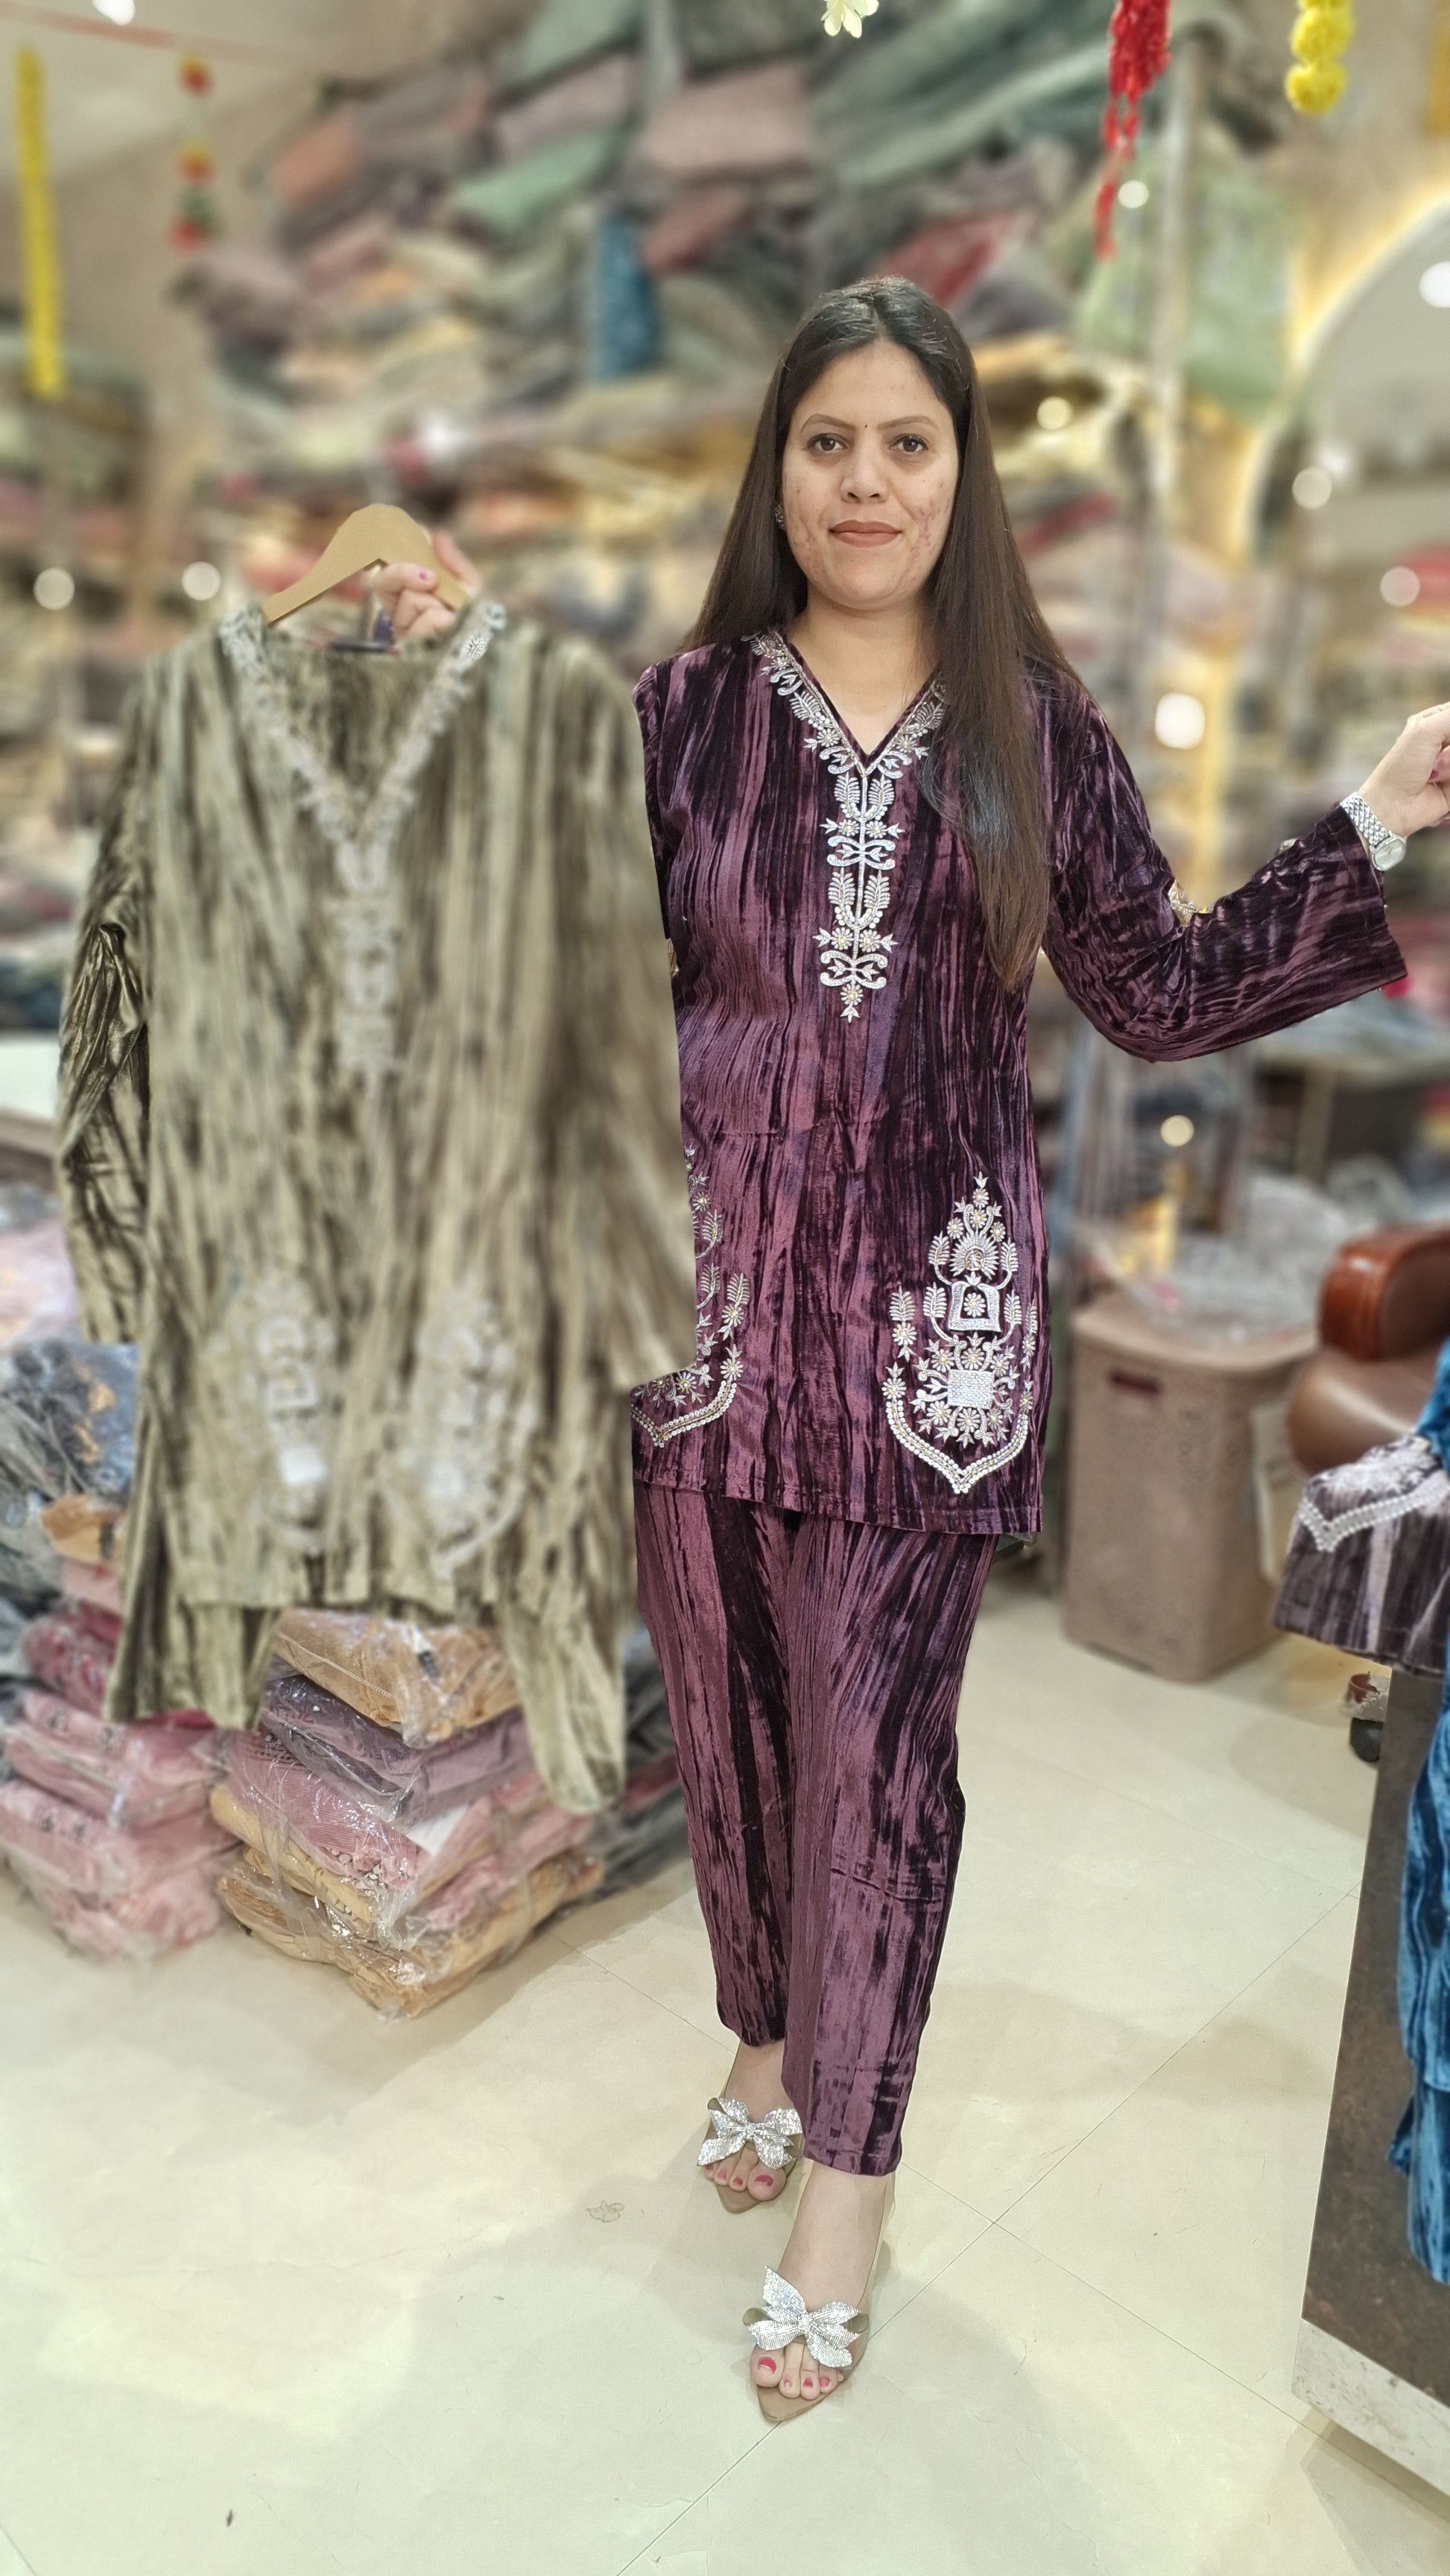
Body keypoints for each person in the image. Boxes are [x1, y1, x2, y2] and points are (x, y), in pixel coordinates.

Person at [378, 278, 1450, 2423]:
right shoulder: (679, 716)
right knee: (734, 1746)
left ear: (960, 480)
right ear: (776, 474)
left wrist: (1374, 820)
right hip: (698, 1334)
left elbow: (1158, 991)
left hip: (927, 1350)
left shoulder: (1034, 736)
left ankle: (844, 2193)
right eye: (827, 442)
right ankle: (767, 2043)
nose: (864, 483)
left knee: (877, 1771)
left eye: (907, 444)